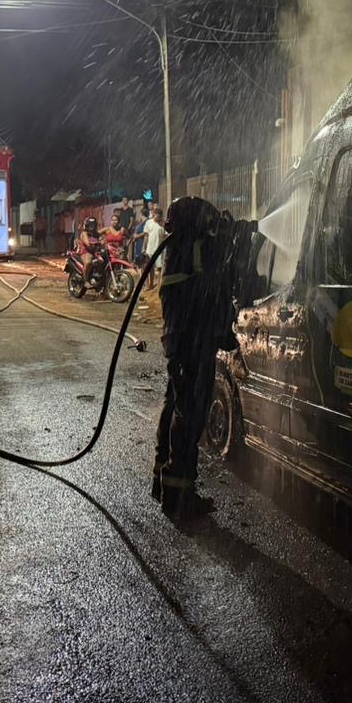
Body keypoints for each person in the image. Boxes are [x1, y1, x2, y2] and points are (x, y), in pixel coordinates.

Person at [152, 196, 238, 520]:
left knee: (175, 405)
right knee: (189, 416)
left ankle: (164, 484)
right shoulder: (196, 247)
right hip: (193, 342)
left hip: (181, 339)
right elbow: (211, 291)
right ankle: (180, 498)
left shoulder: (181, 246)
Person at [139, 208, 167, 289]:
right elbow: (146, 236)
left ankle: (158, 286)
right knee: (149, 268)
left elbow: (166, 236)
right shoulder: (149, 222)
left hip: (159, 249)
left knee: (159, 268)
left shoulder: (163, 224)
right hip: (149, 249)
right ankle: (150, 285)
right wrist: (143, 247)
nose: (156, 218)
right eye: (155, 216)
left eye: (158, 216)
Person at [75, 215, 107, 283]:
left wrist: (103, 241)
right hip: (86, 252)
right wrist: (96, 242)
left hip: (96, 252)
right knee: (88, 262)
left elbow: (102, 238)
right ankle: (85, 280)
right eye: (90, 225)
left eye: (93, 225)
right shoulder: (84, 233)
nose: (92, 227)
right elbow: (87, 243)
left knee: (104, 260)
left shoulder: (97, 234)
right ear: (87, 225)